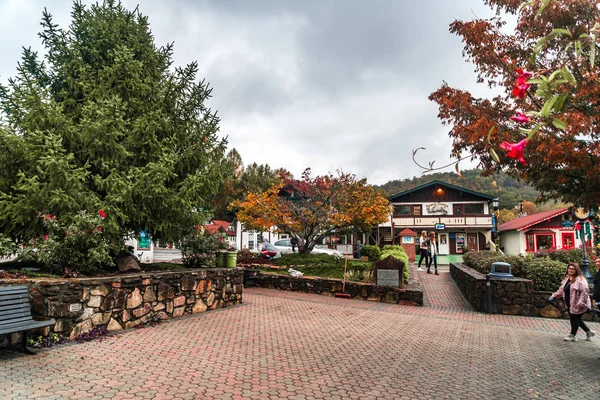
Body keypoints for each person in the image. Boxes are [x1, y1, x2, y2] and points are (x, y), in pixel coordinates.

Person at [549, 262, 595, 342]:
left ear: (577, 270)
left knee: (574, 318)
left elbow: (584, 292)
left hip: (578, 304)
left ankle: (572, 335)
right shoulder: (567, 278)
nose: (570, 270)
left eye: (573, 269)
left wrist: (580, 303)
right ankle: (589, 332)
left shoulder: (581, 280)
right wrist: (554, 296)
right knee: (577, 319)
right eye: (569, 268)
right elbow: (561, 290)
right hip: (570, 303)